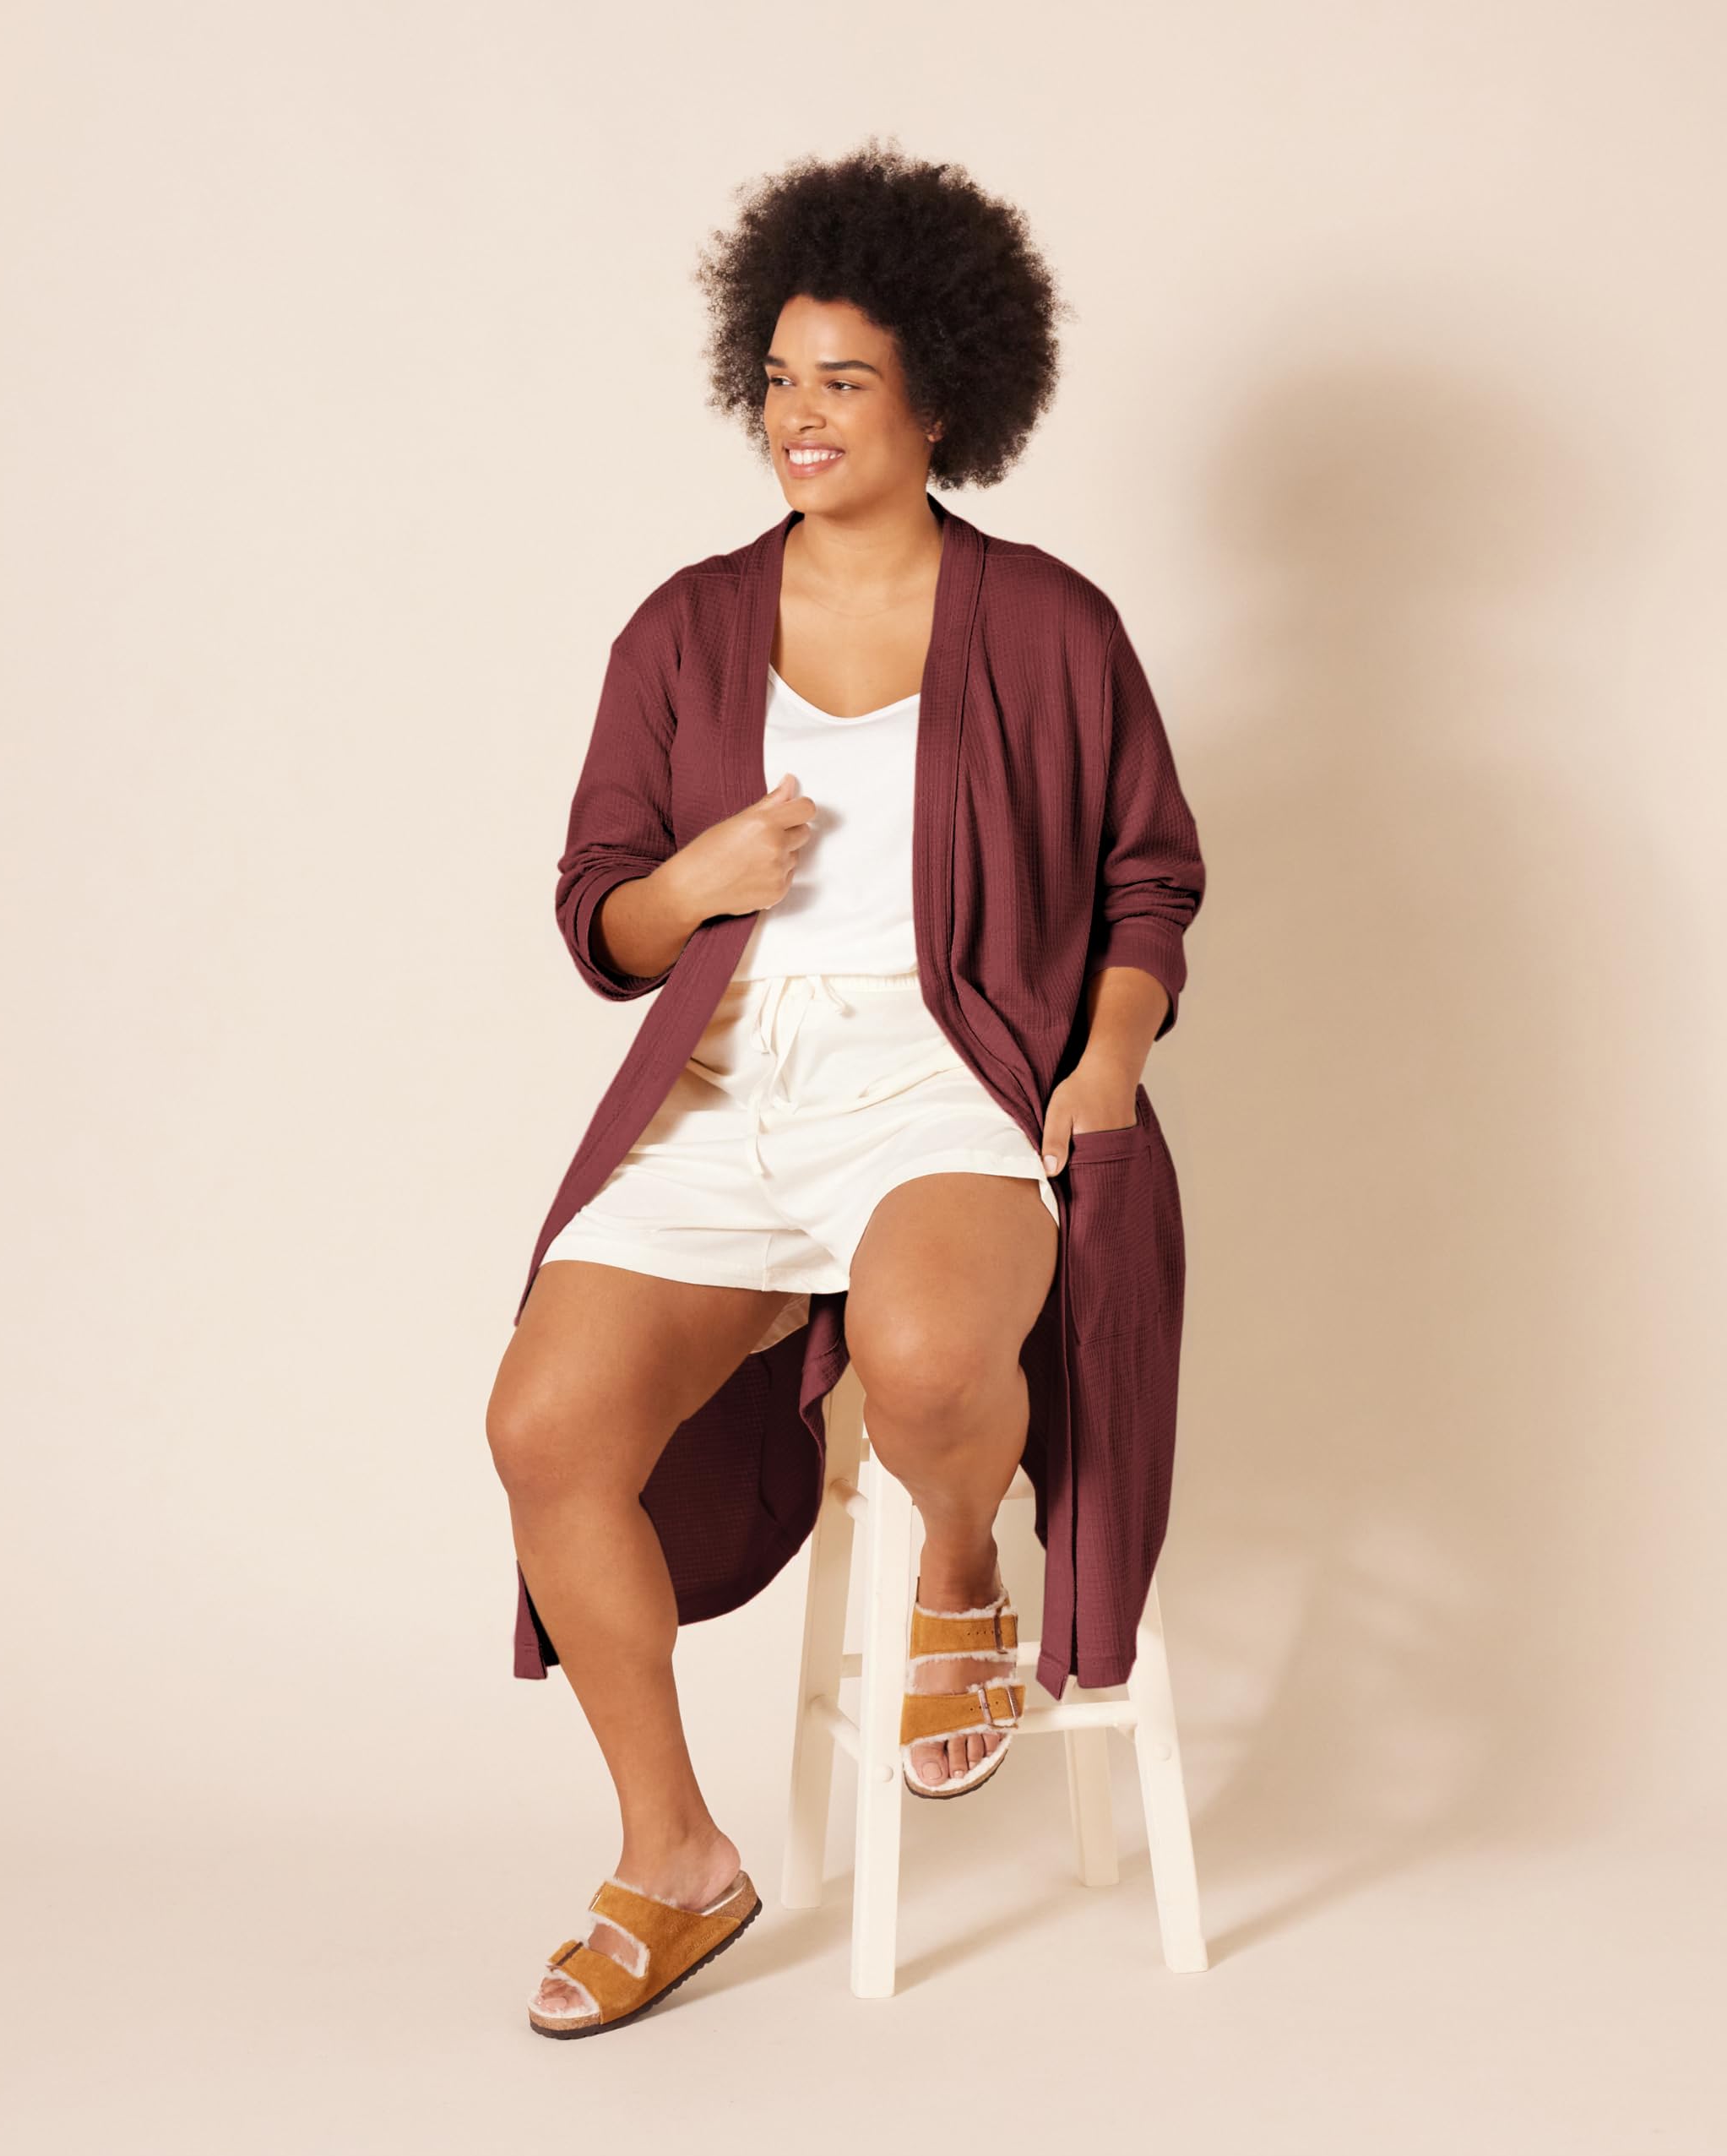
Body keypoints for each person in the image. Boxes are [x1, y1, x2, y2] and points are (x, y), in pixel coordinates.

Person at [486, 140, 1206, 2039]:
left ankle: (958, 1567)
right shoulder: (683, 628)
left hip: (946, 1077)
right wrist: (695, 879)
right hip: (728, 1091)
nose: (797, 416)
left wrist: (1107, 1060)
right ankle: (672, 1855)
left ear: (941, 398)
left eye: (845, 381)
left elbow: (1148, 879)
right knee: (542, 1426)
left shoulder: (1050, 624)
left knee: (934, 1361)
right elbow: (600, 913)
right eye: (778, 379)